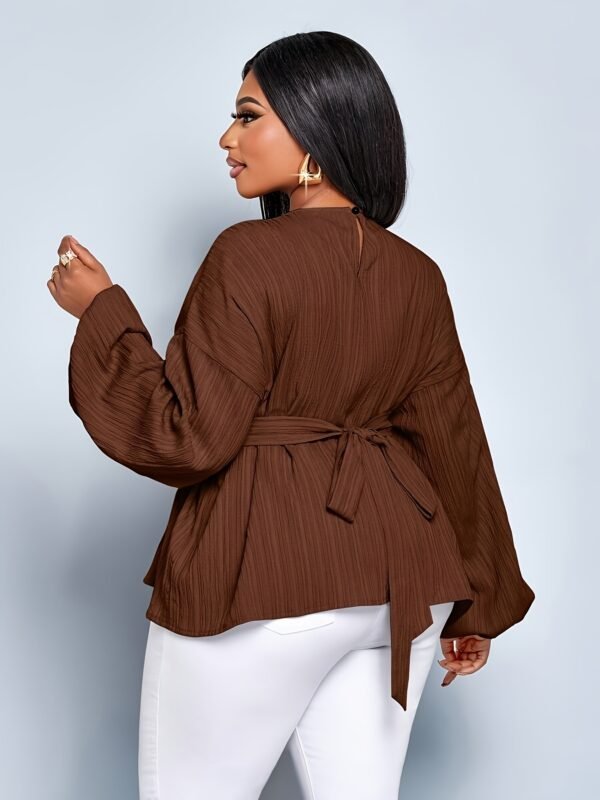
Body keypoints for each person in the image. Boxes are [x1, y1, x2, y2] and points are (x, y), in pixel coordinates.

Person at [47, 30, 535, 800]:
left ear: (315, 130)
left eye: (249, 116)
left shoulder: (248, 254)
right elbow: (454, 442)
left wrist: (102, 313)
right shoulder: (418, 275)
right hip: (399, 587)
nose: (227, 138)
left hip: (265, 574)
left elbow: (188, 437)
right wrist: (479, 604)